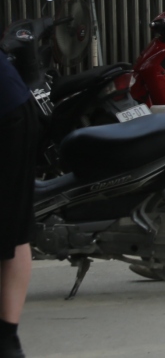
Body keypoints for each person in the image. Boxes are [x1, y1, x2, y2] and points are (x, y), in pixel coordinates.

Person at [0, 47, 36, 358]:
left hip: (8, 113)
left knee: (12, 228)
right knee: (15, 228)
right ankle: (8, 340)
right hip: (15, 104)